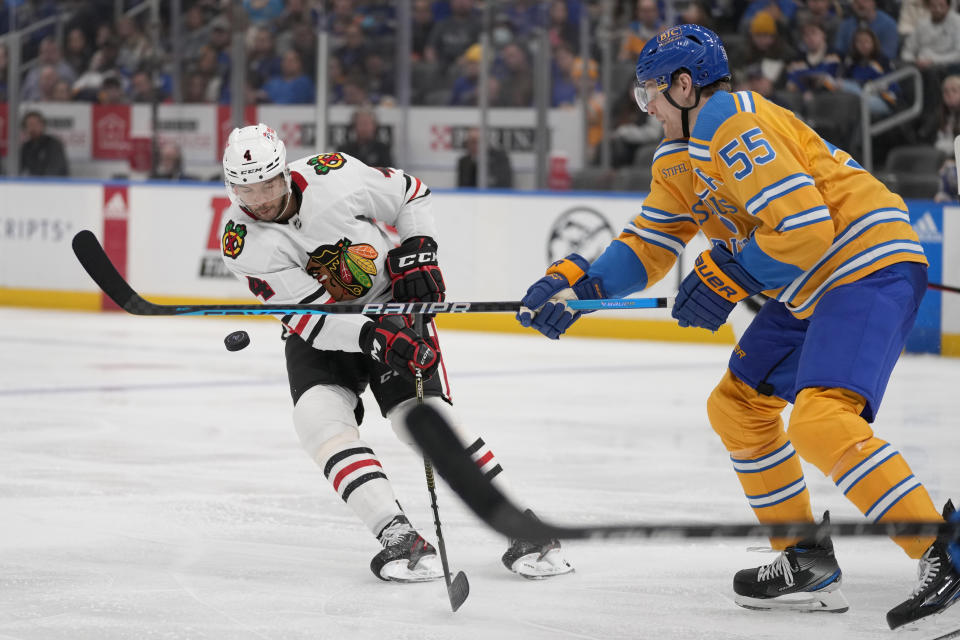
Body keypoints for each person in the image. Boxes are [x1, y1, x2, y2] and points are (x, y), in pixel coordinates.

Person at [516, 25, 959, 629]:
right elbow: (647, 248)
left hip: (864, 265)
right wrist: (577, 285)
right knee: (737, 408)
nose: (647, 111)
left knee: (821, 420)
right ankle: (804, 559)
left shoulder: (731, 121)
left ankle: (945, 553)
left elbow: (805, 231)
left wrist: (728, 275)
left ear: (683, 85)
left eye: (650, 96)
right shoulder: (679, 156)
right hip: (810, 285)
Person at [218, 123, 571, 582]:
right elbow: (311, 317)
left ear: (284, 172)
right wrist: (373, 337)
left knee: (421, 421)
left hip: (392, 306)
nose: (261, 200)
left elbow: (412, 194)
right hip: (325, 330)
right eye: (247, 191)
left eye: (267, 184)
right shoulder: (242, 242)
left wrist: (419, 250)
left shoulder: (336, 174)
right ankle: (399, 536)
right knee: (318, 421)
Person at [20, 111, 69, 177]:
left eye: (35, 124)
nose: (32, 128)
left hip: (54, 185)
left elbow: (56, 169)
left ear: (42, 125)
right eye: (29, 125)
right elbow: (19, 169)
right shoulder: (25, 147)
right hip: (32, 184)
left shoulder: (54, 144)